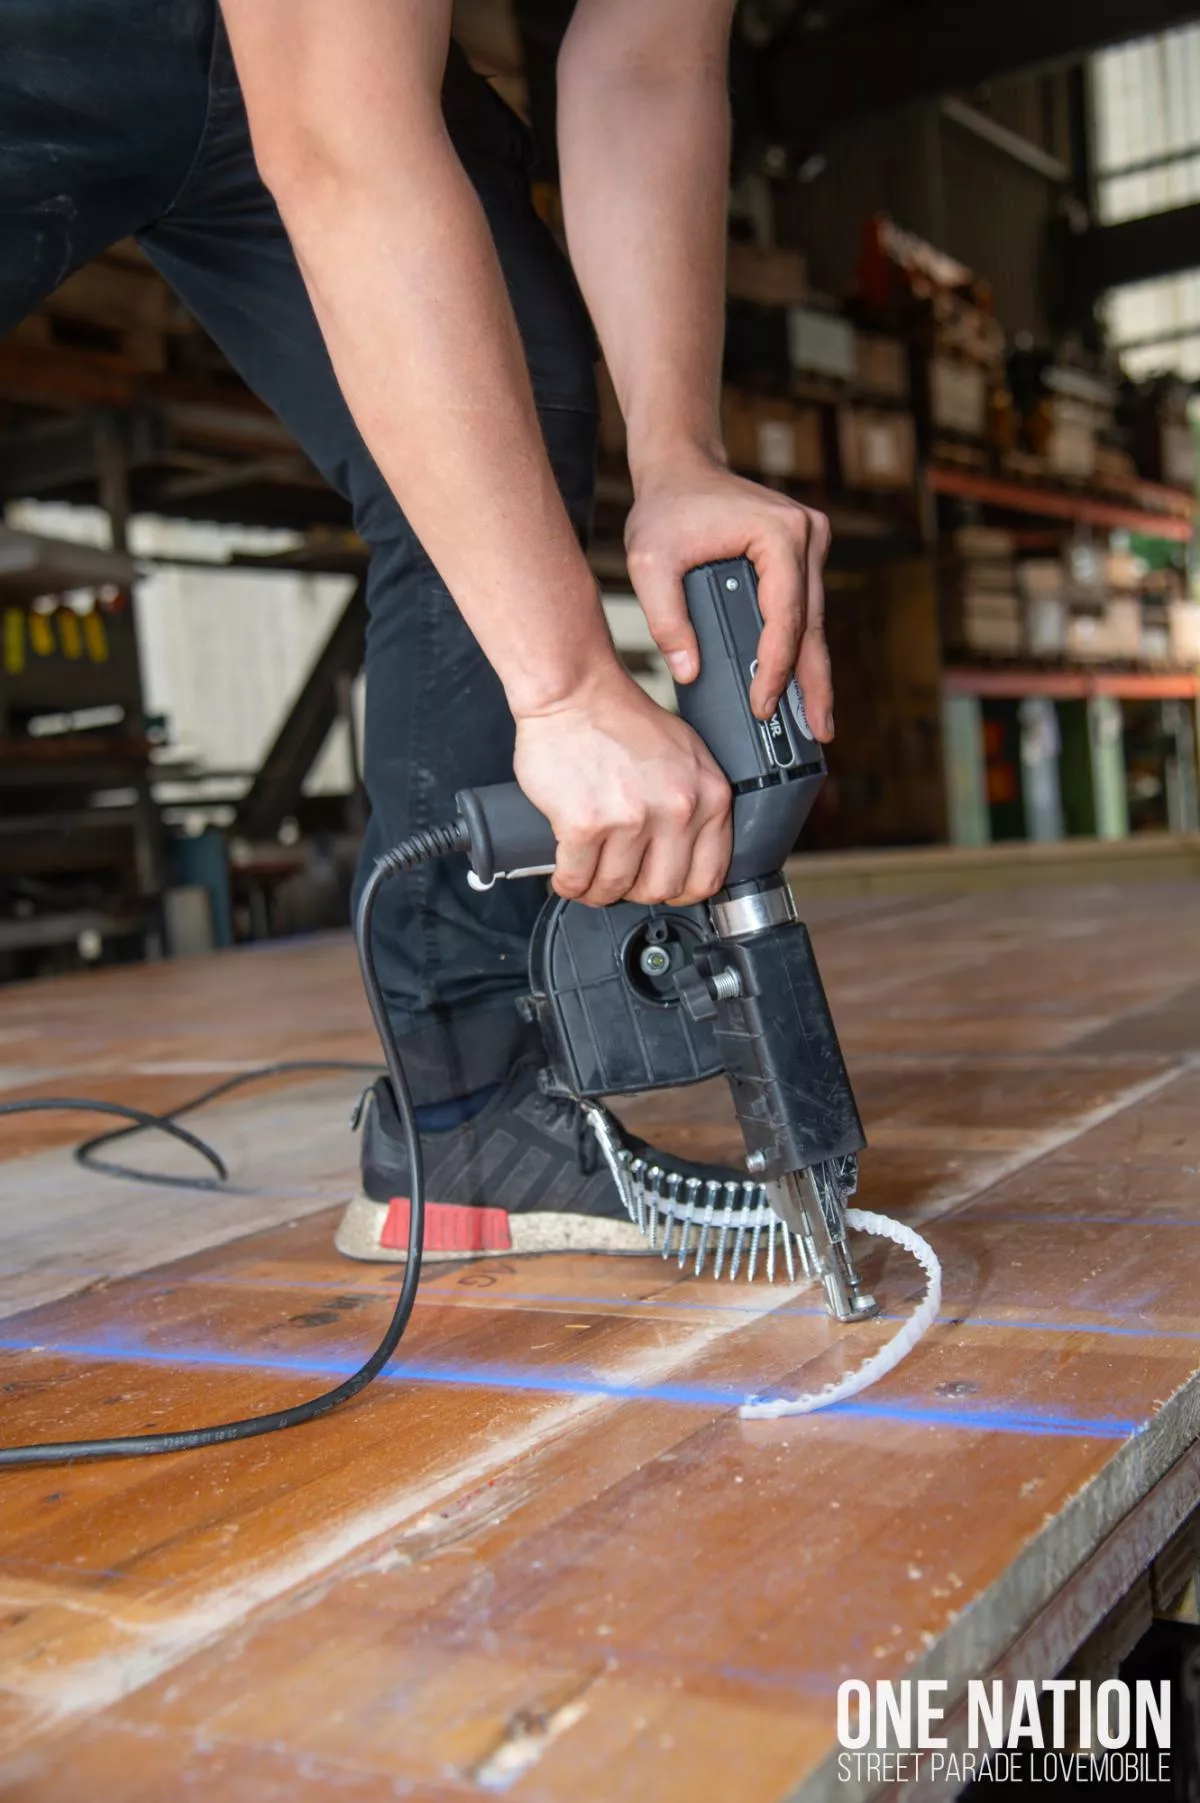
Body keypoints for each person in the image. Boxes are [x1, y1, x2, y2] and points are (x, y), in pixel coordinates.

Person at [1, 0, 833, 1261]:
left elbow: (649, 61)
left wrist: (679, 455)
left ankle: (465, 1113)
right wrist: (563, 691)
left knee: (503, 399)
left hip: (319, 51)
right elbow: (341, 144)